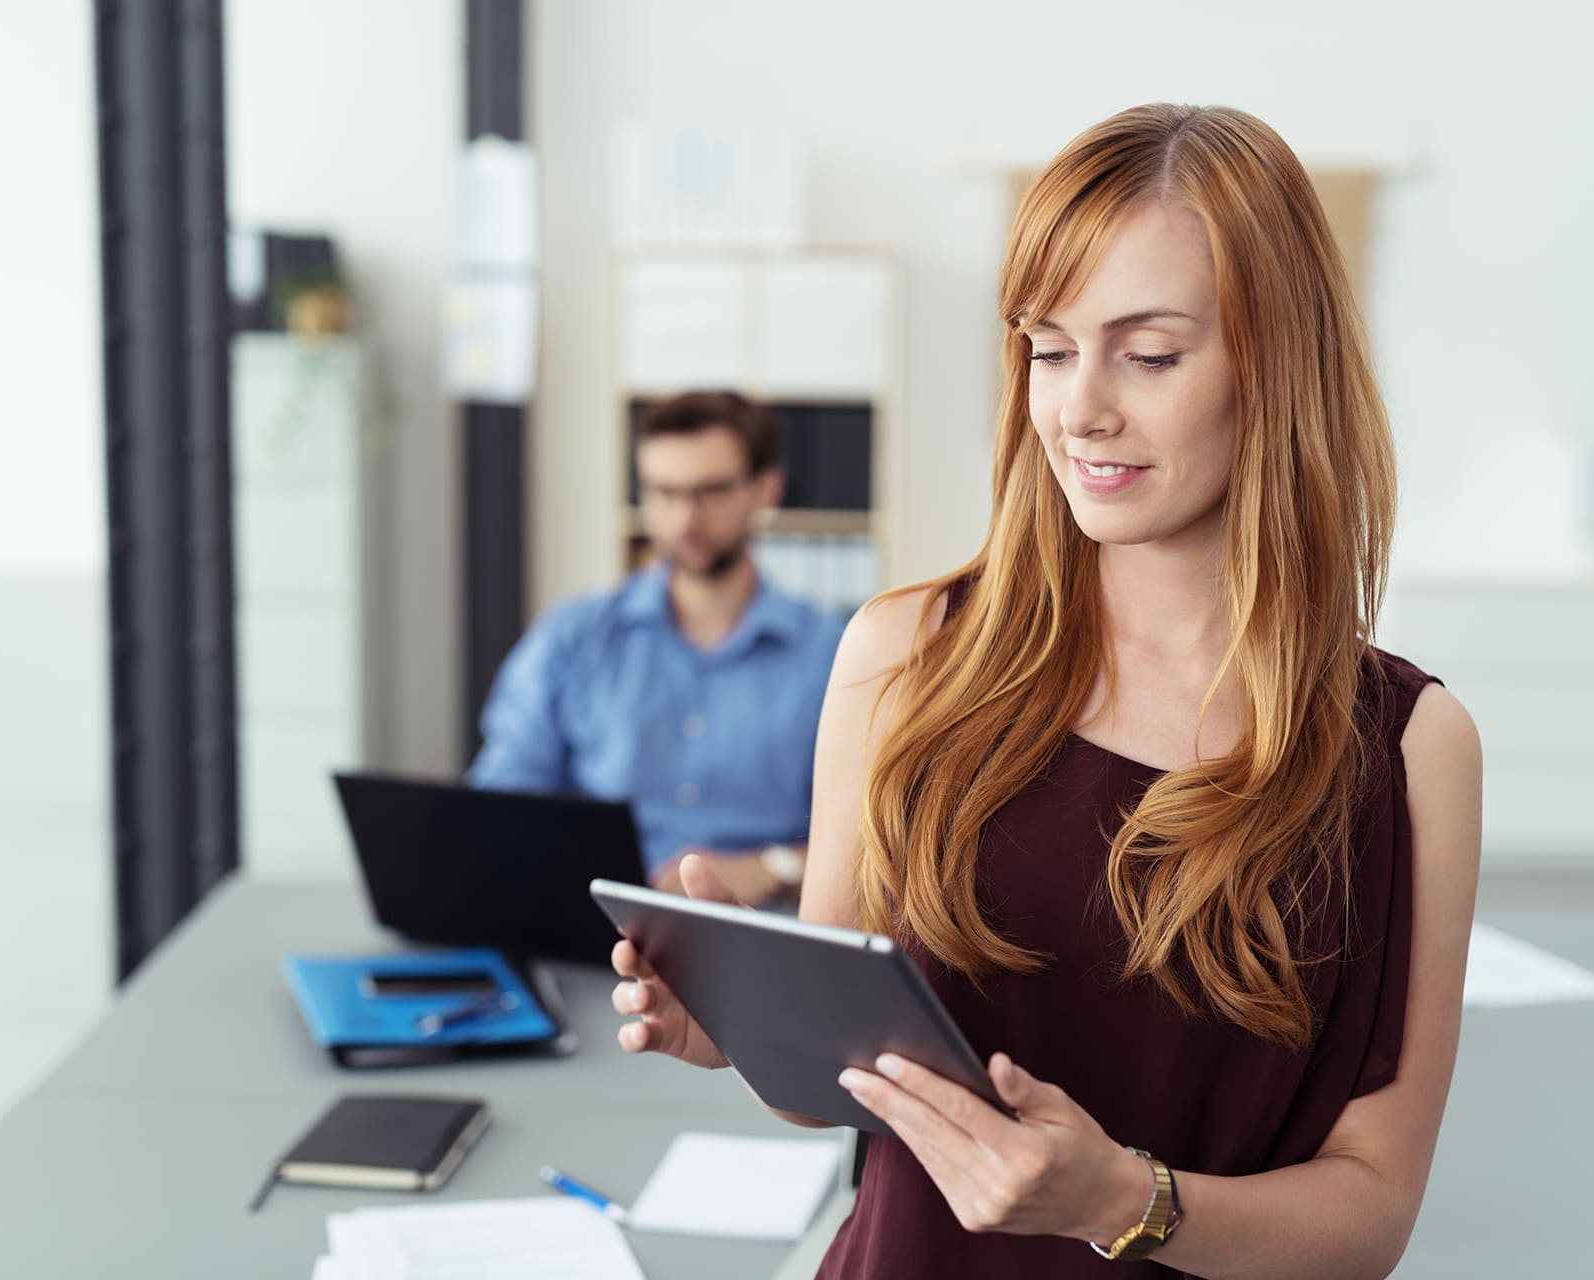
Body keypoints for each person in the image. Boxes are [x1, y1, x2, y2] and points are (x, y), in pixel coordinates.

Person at [610, 103, 1483, 1278]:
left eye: (1152, 354)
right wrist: (734, 1027)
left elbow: (1371, 1213)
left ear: (1278, 365)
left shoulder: (1411, 746)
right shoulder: (904, 653)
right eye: (1051, 347)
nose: (1081, 409)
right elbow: (838, 1089)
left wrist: (1124, 1197)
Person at [467, 390, 844, 906]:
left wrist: (772, 866)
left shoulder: (834, 656)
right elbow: (499, 802)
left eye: (711, 492)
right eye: (663, 493)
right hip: (593, 925)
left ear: (765, 489)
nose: (685, 519)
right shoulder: (573, 637)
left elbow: (873, 844)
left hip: (763, 932)